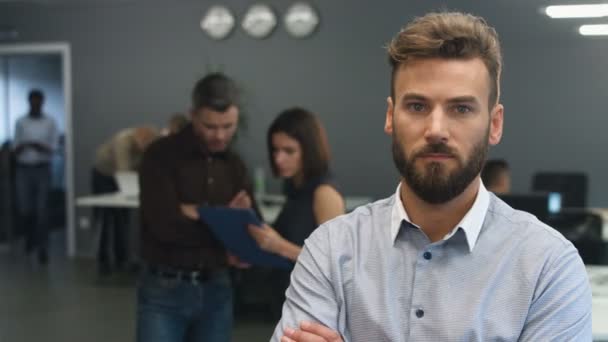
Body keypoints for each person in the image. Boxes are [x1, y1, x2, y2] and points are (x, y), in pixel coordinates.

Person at [272, 12, 591, 342]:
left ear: (494, 124)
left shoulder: (548, 266)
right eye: (417, 106)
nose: (436, 130)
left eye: (461, 108)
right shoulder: (330, 250)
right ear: (390, 116)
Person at [137, 72, 255, 342]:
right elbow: (164, 226)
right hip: (163, 289)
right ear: (192, 115)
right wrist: (223, 224)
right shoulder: (160, 155)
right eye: (210, 126)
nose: (220, 135)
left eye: (229, 126)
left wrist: (198, 213)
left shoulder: (234, 164)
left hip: (217, 288)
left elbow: (251, 223)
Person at [247, 107, 345, 316]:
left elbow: (335, 268)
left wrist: (279, 246)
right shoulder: (294, 186)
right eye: (275, 150)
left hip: (316, 309)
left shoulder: (324, 192)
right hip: (292, 300)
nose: (279, 159)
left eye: (289, 151)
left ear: (309, 150)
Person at [92, 126, 158, 275]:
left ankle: (122, 259)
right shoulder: (123, 141)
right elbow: (124, 171)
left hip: (123, 176)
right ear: (138, 139)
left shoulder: (151, 142)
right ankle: (103, 260)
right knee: (104, 217)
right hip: (104, 175)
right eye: (145, 145)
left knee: (123, 219)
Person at [13, 89, 59, 265]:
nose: (35, 105)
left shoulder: (50, 122)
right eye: (32, 101)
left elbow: (54, 148)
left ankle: (43, 248)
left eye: (38, 102)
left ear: (42, 102)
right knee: (25, 208)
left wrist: (40, 146)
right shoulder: (21, 122)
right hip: (23, 168)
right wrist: (24, 146)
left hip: (42, 169)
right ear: (29, 102)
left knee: (42, 211)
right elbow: (15, 148)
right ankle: (29, 238)